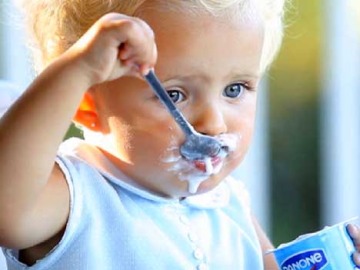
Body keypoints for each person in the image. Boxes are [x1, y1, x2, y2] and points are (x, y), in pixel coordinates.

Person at [0, 0, 359, 269]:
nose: (214, 123)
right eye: (174, 95)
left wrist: (332, 258)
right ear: (86, 106)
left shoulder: (228, 204)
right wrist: (78, 69)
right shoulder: (76, 197)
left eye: (235, 89)